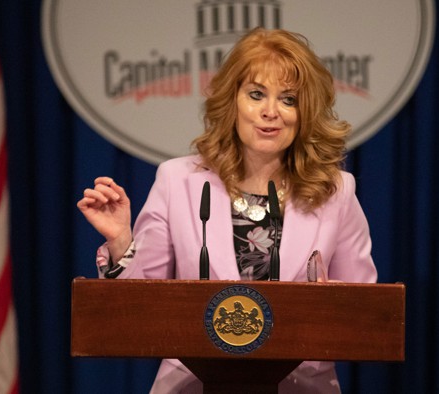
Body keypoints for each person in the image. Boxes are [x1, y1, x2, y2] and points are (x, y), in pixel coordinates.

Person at [77, 28, 376, 393]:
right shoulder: (178, 181)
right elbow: (144, 306)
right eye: (256, 95)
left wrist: (327, 309)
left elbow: (364, 313)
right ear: (232, 100)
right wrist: (122, 240)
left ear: (305, 111)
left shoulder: (336, 192)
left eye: (288, 99)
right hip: (192, 384)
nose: (270, 112)